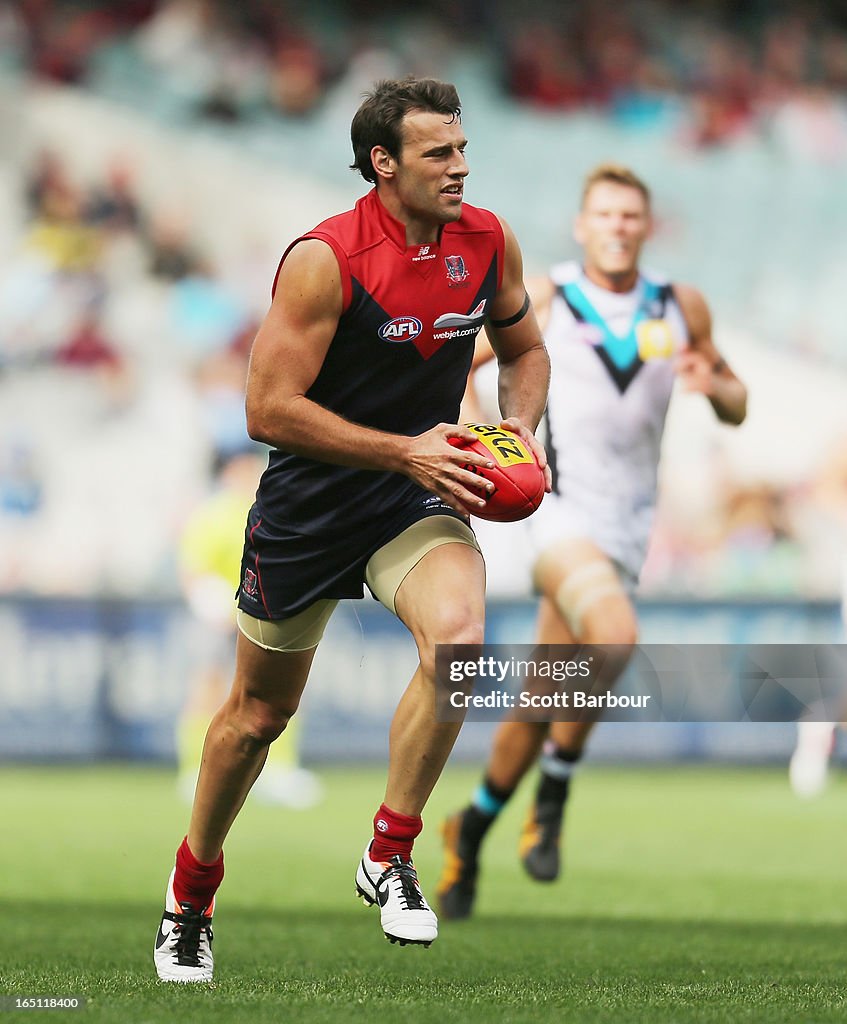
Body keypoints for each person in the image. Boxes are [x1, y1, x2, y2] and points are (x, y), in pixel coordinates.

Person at [154, 76, 551, 982]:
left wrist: (517, 427)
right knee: (257, 717)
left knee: (460, 646)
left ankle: (389, 851)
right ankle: (191, 894)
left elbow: (524, 351)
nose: (458, 168)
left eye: (461, 148)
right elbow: (265, 407)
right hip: (310, 505)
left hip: (415, 496)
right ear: (382, 163)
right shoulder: (324, 258)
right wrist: (402, 451)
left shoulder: (487, 240)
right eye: (436, 154)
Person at [437, 163, 748, 921]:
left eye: (629, 216)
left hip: (628, 524)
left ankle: (469, 828)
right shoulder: (548, 294)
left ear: (646, 227)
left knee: (544, 696)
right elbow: (466, 365)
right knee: (612, 637)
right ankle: (555, 792)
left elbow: (736, 403)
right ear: (582, 226)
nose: (616, 226)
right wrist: (490, 442)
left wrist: (719, 386)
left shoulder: (681, 306)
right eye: (603, 215)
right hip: (553, 509)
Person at [176, 449, 322, 809]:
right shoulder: (211, 515)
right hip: (218, 618)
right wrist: (213, 605)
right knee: (208, 687)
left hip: (261, 616)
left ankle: (279, 769)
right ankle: (195, 769)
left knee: (280, 688)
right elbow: (194, 568)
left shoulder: (272, 507)